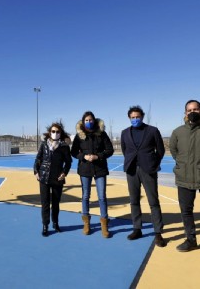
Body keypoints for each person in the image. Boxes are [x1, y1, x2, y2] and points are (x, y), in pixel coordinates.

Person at [121, 105, 166, 247]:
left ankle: (158, 233)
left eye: (137, 117)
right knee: (134, 201)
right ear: (129, 118)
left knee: (153, 202)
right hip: (132, 170)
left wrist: (153, 163)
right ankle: (137, 229)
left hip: (148, 170)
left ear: (142, 117)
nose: (135, 119)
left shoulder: (152, 131)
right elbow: (125, 150)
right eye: (132, 117)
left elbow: (160, 150)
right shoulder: (124, 133)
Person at [71, 111, 114, 237]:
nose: (88, 122)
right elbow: (73, 152)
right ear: (83, 122)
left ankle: (104, 224)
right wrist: (84, 156)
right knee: (85, 196)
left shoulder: (102, 134)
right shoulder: (80, 136)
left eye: (90, 120)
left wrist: (98, 156)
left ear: (94, 121)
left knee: (102, 197)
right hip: (85, 169)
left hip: (100, 169)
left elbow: (110, 150)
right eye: (86, 120)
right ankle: (86, 223)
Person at [169, 99, 200, 252]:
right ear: (185, 113)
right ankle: (191, 240)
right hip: (184, 178)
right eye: (189, 110)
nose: (192, 112)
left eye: (195, 109)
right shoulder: (177, 132)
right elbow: (174, 152)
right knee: (186, 211)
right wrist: (183, 165)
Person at [34, 122, 72, 237]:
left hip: (57, 178)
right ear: (50, 133)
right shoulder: (44, 144)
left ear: (61, 133)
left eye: (57, 132)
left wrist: (64, 173)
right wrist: (36, 171)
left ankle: (55, 223)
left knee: (56, 203)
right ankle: (45, 225)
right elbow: (38, 159)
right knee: (45, 203)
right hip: (44, 177)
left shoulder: (64, 146)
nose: (55, 133)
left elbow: (69, 162)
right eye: (53, 131)